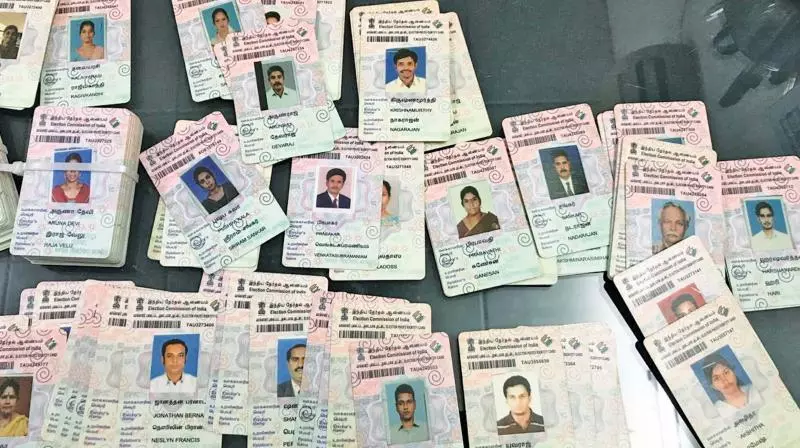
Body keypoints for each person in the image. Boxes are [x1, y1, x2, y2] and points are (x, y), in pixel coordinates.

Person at [702, 355, 763, 419]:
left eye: (726, 372)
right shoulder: (717, 410)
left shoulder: (754, 389)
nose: (724, 380)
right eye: (717, 378)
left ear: (733, 372)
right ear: (713, 386)